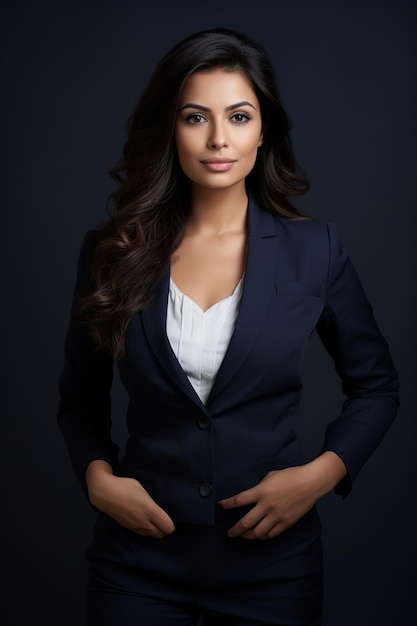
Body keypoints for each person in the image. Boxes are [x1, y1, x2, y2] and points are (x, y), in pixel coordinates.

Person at [57, 27, 399, 626]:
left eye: (239, 116)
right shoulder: (112, 252)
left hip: (271, 566)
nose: (219, 138)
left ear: (263, 129)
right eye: (196, 117)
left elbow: (377, 387)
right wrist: (96, 478)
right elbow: (79, 402)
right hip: (136, 562)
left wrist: (317, 477)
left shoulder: (313, 250)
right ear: (171, 127)